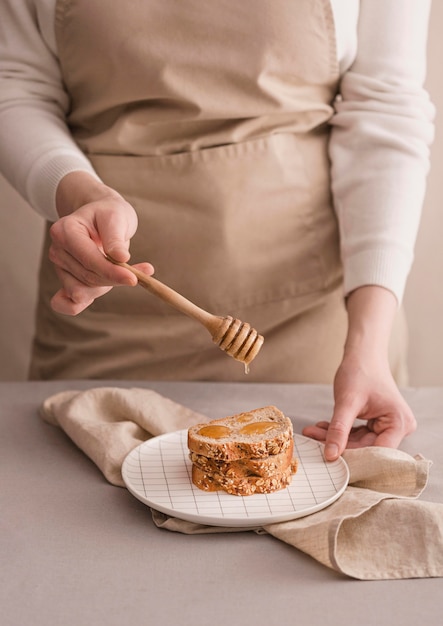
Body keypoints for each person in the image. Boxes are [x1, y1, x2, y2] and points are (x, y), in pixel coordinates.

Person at [0, 0, 435, 460]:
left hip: (321, 332)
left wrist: (368, 346)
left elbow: (385, 110)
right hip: (101, 308)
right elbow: (17, 87)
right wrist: (79, 194)